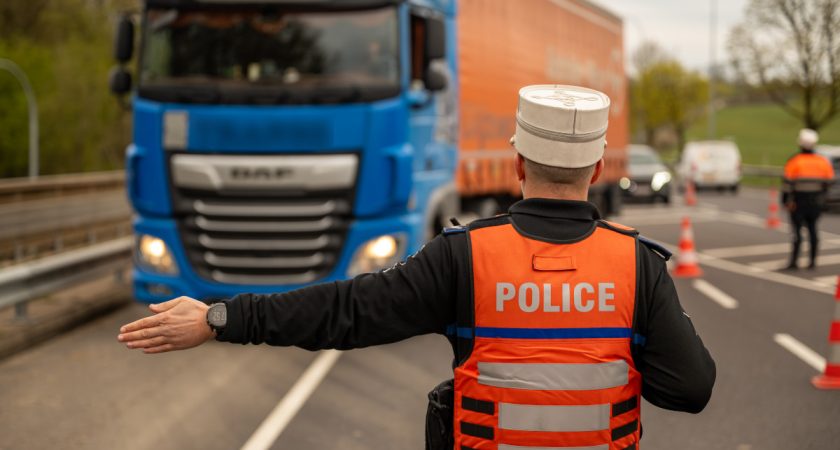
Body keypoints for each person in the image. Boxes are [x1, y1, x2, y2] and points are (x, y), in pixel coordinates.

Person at [118, 85, 716, 449]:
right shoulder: (636, 265)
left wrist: (219, 317)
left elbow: (346, 312)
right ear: (598, 167)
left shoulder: (465, 257)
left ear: (517, 163)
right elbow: (690, 388)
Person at [782, 128, 836, 270]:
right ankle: (812, 261)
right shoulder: (822, 162)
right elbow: (829, 182)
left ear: (800, 144)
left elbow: (787, 184)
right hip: (815, 202)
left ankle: (794, 261)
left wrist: (786, 201)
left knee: (797, 232)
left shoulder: (795, 161)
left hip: (798, 201)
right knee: (813, 230)